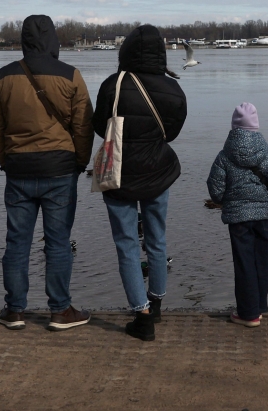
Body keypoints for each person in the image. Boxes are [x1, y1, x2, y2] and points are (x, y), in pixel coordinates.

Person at [0, 15, 94, 331]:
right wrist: (79, 163)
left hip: (18, 169)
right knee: (58, 243)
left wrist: (7, 160)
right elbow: (83, 126)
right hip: (60, 170)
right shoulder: (71, 76)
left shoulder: (3, 76)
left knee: (16, 242)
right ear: (53, 40)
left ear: (23, 39)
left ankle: (14, 310)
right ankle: (60, 311)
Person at [92, 25, 187, 341]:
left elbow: (98, 127)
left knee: (127, 243)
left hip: (118, 174)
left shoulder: (113, 85)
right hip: (158, 172)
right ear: (161, 52)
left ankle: (141, 314)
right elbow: (171, 133)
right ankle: (157, 302)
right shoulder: (174, 90)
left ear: (126, 51)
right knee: (157, 238)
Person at [206, 103, 268, 327]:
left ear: (233, 127)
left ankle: (248, 313)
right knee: (262, 262)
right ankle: (257, 308)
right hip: (264, 217)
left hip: (239, 219)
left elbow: (215, 189)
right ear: (256, 127)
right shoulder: (267, 156)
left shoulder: (224, 156)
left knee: (244, 264)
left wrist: (226, 201)